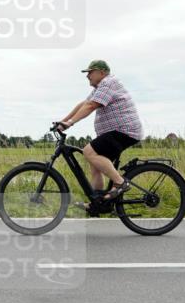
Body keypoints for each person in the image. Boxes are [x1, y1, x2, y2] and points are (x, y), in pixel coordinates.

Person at [56, 60, 143, 201]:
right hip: (117, 132)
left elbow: (91, 106)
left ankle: (120, 182)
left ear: (101, 72)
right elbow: (84, 104)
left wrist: (70, 123)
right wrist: (63, 121)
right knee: (95, 165)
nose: (87, 76)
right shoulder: (100, 88)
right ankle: (97, 203)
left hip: (124, 131)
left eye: (90, 72)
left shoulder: (108, 83)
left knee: (88, 151)